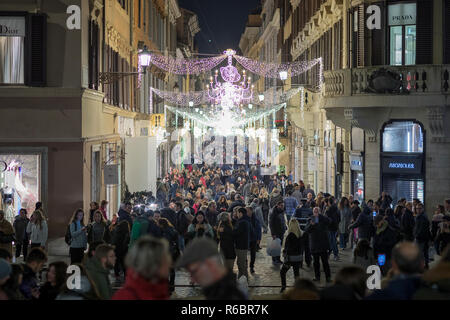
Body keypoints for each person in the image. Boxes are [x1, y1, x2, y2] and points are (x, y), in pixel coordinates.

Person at [175, 237, 247, 300]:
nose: (192, 279)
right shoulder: (229, 292)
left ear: (210, 264)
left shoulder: (228, 296)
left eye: (194, 272)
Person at [304, 207, 332, 283]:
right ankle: (317, 277)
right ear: (313, 212)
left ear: (320, 212)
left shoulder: (323, 219)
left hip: (323, 245)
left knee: (325, 262)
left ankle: (328, 277)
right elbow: (306, 230)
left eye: (317, 212)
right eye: (314, 212)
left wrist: (321, 216)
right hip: (314, 245)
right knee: (316, 263)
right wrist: (311, 225)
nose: (316, 213)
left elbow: (329, 222)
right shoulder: (310, 220)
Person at [280, 219, 305, 293]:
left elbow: (287, 248)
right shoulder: (301, 235)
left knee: (282, 272)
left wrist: (284, 254)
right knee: (296, 273)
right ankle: (298, 288)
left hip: (290, 259)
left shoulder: (290, 236)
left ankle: (283, 287)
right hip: (298, 258)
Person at [158, 218, 180, 295]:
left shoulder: (165, 231)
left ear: (161, 224)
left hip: (167, 253)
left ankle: (168, 288)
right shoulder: (172, 229)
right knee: (172, 270)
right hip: (174, 252)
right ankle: (171, 286)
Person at [233, 207, 251, 280]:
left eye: (237, 212)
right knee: (241, 263)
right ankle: (242, 278)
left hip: (241, 246)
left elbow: (237, 232)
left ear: (240, 213)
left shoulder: (242, 222)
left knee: (241, 264)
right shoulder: (244, 220)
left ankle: (243, 279)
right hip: (242, 245)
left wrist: (231, 230)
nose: (236, 214)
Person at [111, 213, 130, 281]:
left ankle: (117, 274)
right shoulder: (127, 232)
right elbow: (127, 240)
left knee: (116, 261)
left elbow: (114, 239)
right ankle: (126, 275)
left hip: (117, 248)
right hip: (124, 249)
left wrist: (113, 245)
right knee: (123, 262)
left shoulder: (117, 229)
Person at [413, 202, 431, 269]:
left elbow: (420, 229)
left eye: (420, 208)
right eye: (417, 208)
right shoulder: (422, 216)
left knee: (419, 253)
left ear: (423, 209)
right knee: (424, 253)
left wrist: (416, 235)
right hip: (424, 238)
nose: (418, 210)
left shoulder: (422, 217)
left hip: (421, 238)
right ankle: (425, 265)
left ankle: (420, 267)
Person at [246, 206, 261, 274]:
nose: (247, 212)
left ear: (251, 211)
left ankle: (251, 266)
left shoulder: (255, 219)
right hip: (246, 239)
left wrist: (259, 238)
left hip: (254, 239)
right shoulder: (245, 218)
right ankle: (245, 266)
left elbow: (259, 229)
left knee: (253, 254)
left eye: (248, 211)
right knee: (245, 253)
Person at [325, 197, 340, 261]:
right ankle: (333, 254)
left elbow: (326, 219)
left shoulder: (328, 210)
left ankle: (334, 254)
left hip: (330, 227)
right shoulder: (337, 209)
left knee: (332, 241)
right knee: (332, 240)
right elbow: (339, 218)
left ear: (329, 202)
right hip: (335, 226)